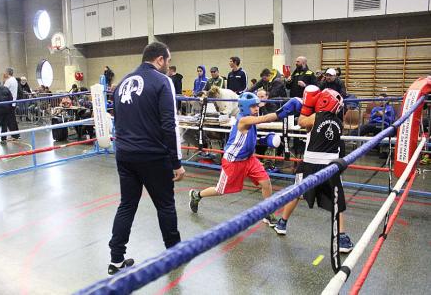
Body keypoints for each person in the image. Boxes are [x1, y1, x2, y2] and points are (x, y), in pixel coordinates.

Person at [108, 41, 185, 275]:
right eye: (168, 60)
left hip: (125, 153)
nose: (168, 65)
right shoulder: (163, 81)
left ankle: (116, 259)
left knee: (127, 205)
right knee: (165, 205)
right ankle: (174, 254)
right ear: (160, 59)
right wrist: (176, 162)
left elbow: (117, 119)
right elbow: (169, 123)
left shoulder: (121, 84)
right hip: (152, 155)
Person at [274, 88, 354, 253]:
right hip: (330, 167)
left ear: (323, 101)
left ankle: (282, 223)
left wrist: (306, 106)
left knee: (296, 194)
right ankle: (342, 238)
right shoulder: (340, 123)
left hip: (310, 164)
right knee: (337, 200)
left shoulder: (316, 117)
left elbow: (302, 122)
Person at [189, 92, 287, 227]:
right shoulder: (243, 120)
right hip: (233, 161)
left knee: (266, 183)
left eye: (257, 106)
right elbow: (266, 118)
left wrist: (263, 141)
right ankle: (197, 195)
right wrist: (285, 110)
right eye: (253, 106)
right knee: (220, 190)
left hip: (249, 159)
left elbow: (247, 140)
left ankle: (268, 213)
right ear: (245, 107)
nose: (257, 109)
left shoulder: (250, 118)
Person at [3, 67, 20, 140]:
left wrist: (4, 80)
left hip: (9, 103)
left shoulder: (9, 81)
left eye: (5, 72)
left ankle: (15, 135)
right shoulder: (14, 80)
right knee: (12, 119)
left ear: (7, 73)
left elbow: (3, 89)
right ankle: (15, 135)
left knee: (11, 120)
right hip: (13, 102)